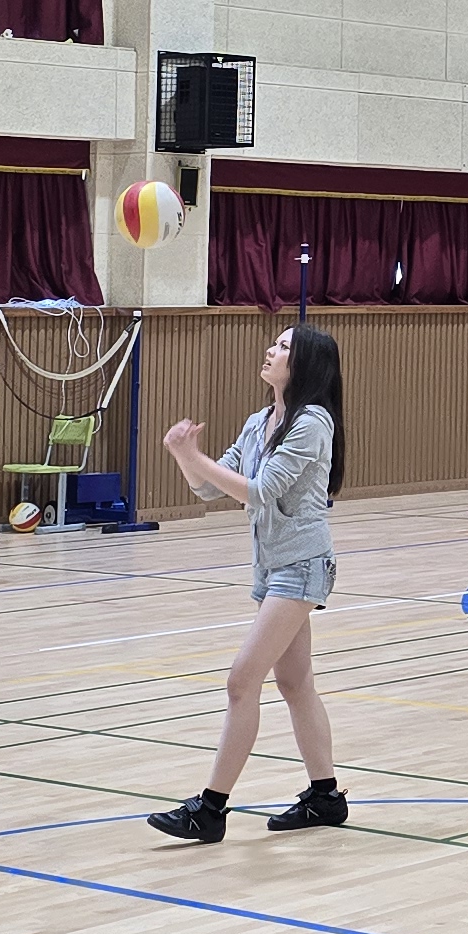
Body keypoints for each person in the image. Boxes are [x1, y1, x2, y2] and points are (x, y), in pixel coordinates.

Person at [148, 326, 351, 838]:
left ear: (305, 364)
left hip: (301, 565)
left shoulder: (312, 423)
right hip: (269, 566)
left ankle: (210, 809)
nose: (271, 351)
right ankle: (326, 797)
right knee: (295, 683)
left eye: (283, 347)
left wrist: (197, 461)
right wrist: (183, 454)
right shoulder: (260, 420)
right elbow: (209, 490)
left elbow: (260, 491)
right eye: (275, 343)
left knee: (243, 680)